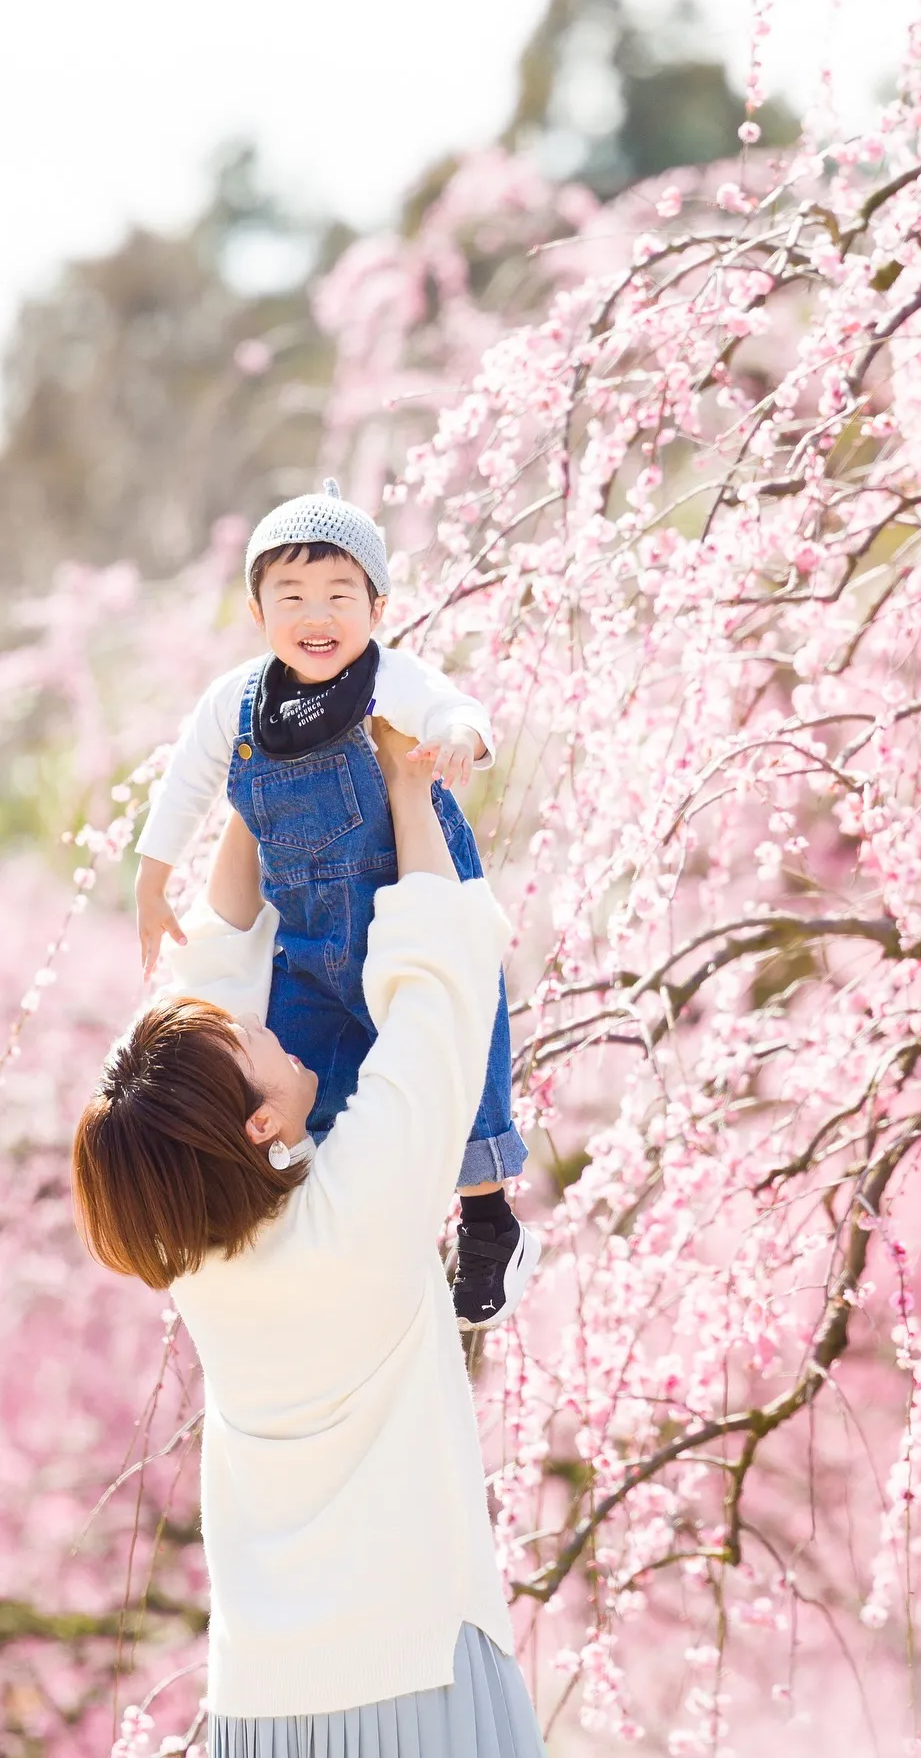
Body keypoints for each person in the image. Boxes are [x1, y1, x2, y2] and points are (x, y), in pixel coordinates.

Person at [72, 721, 547, 1757]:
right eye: (256, 1041)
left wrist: (257, 794)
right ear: (259, 1124)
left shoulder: (195, 1253)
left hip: (265, 1695)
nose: (270, 1027)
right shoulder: (356, 1213)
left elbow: (193, 1015)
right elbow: (437, 997)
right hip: (416, 1674)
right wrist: (413, 796)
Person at [132, 479, 537, 1328]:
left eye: (339, 596)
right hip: (310, 940)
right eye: (291, 596)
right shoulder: (239, 704)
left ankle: (489, 1214)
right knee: (298, 1080)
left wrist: (461, 736)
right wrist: (152, 872)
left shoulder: (387, 681)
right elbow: (188, 781)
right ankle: (332, 1220)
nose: (317, 616)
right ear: (257, 611)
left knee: (463, 1047)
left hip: (405, 902)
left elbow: (455, 706)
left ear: (378, 607)